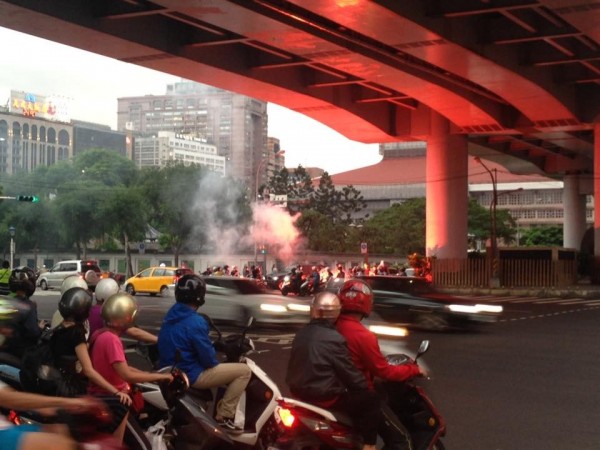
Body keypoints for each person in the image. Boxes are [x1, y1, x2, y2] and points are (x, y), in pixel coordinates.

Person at [335, 279, 426, 450]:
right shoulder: (363, 336)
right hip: (358, 397)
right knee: (402, 439)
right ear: (366, 303)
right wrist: (413, 369)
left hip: (334, 391)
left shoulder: (332, 327)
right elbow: (385, 372)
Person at [286, 292, 381, 450]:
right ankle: (369, 445)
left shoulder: (301, 334)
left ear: (314, 311)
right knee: (371, 400)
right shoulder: (334, 338)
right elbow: (350, 374)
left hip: (296, 392)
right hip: (323, 396)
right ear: (336, 313)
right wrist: (364, 385)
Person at [158, 274, 251, 432]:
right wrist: (214, 349)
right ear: (200, 296)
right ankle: (225, 416)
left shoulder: (171, 314)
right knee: (244, 371)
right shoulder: (196, 321)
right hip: (191, 374)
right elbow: (209, 360)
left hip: (172, 370)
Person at [88, 292, 171, 442]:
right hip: (115, 400)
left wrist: (147, 374)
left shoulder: (100, 334)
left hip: (104, 395)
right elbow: (127, 375)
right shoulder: (112, 340)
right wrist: (162, 376)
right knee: (121, 443)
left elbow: (118, 367)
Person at [51, 287, 133, 407]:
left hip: (55, 383)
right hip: (69, 389)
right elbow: (89, 371)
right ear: (84, 312)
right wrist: (116, 392)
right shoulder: (76, 333)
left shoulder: (58, 329)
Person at [0, 379, 107, 450]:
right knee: (59, 445)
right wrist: (67, 402)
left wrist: (65, 409)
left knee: (62, 430)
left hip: (6, 427)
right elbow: (7, 398)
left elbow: (14, 396)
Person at [89, 278, 157, 343]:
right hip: (106, 348)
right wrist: (159, 340)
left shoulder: (89, 311)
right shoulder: (111, 314)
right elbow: (134, 331)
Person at [3, 267, 44, 358]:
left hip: (5, 350)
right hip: (20, 353)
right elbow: (33, 333)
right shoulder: (29, 306)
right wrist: (40, 328)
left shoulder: (6, 302)